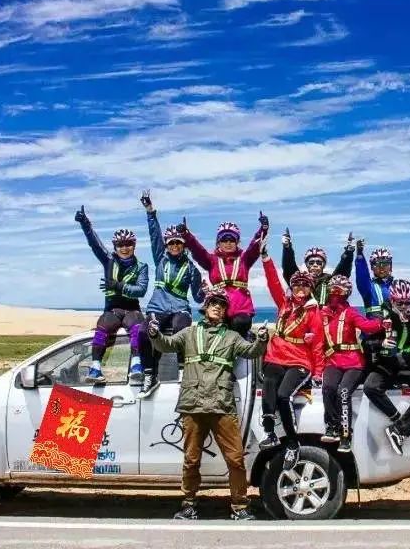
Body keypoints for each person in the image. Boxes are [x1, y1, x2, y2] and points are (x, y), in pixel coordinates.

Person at [148, 287, 270, 521]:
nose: (218, 307)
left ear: (225, 312)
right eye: (214, 303)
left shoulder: (232, 337)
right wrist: (154, 334)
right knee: (191, 460)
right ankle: (188, 505)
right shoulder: (188, 333)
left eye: (222, 305)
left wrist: (262, 338)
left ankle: (239, 506)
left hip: (221, 405)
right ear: (205, 307)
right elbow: (166, 344)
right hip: (193, 404)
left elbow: (252, 351)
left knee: (235, 459)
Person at [136, 190, 205, 398]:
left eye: (178, 242)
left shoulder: (192, 269)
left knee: (181, 331)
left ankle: (184, 373)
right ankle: (150, 375)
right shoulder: (161, 258)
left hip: (180, 309)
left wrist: (204, 292)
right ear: (166, 244)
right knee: (143, 332)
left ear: (183, 245)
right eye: (171, 242)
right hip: (157, 307)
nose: (174, 246)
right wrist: (150, 211)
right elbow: (154, 235)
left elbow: (198, 298)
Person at [260, 247, 325, 469]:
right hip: (276, 356)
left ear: (311, 288)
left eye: (305, 285)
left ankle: (292, 443)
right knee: (269, 386)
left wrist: (318, 373)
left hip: (299, 360)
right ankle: (270, 432)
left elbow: (318, 344)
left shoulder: (314, 312)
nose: (300, 288)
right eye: (297, 284)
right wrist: (266, 258)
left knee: (283, 396)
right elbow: (273, 282)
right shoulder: (284, 303)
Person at [362, 279, 410, 456]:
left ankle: (399, 431)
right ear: (392, 300)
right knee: (371, 387)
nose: (404, 306)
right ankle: (397, 420)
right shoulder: (381, 315)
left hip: (408, 364)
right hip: (386, 364)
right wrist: (381, 343)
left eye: (408, 302)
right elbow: (366, 343)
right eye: (400, 303)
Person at [74, 205, 149, 385]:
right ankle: (95, 368)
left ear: (134, 246)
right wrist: (85, 223)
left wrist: (118, 285)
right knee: (101, 329)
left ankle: (137, 366)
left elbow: (141, 290)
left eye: (128, 244)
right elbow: (94, 243)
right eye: (120, 245)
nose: (124, 248)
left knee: (137, 329)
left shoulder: (142, 267)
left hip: (132, 310)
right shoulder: (108, 260)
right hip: (112, 310)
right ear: (115, 247)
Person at [319, 274, 383, 452]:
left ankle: (345, 434)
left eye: (339, 291)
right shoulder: (322, 313)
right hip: (333, 361)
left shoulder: (351, 312)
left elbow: (367, 326)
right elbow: (313, 331)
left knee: (343, 392)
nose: (335, 294)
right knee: (328, 388)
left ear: (346, 294)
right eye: (332, 290)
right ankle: (331, 427)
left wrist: (382, 322)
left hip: (354, 362)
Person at [181, 213, 268, 336]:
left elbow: (254, 246)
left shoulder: (244, 258)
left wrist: (263, 229)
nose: (228, 243)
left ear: (237, 242)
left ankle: (246, 340)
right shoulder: (212, 260)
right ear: (218, 242)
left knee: (240, 324)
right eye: (224, 240)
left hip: (240, 306)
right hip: (219, 304)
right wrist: (186, 235)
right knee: (211, 330)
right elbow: (198, 250)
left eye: (232, 240)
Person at [280, 228, 355, 304]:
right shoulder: (300, 280)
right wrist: (287, 248)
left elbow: (342, 271)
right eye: (311, 263)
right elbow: (289, 267)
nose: (315, 265)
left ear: (323, 265)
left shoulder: (329, 281)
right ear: (307, 265)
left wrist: (349, 252)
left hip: (325, 311)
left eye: (318, 262)